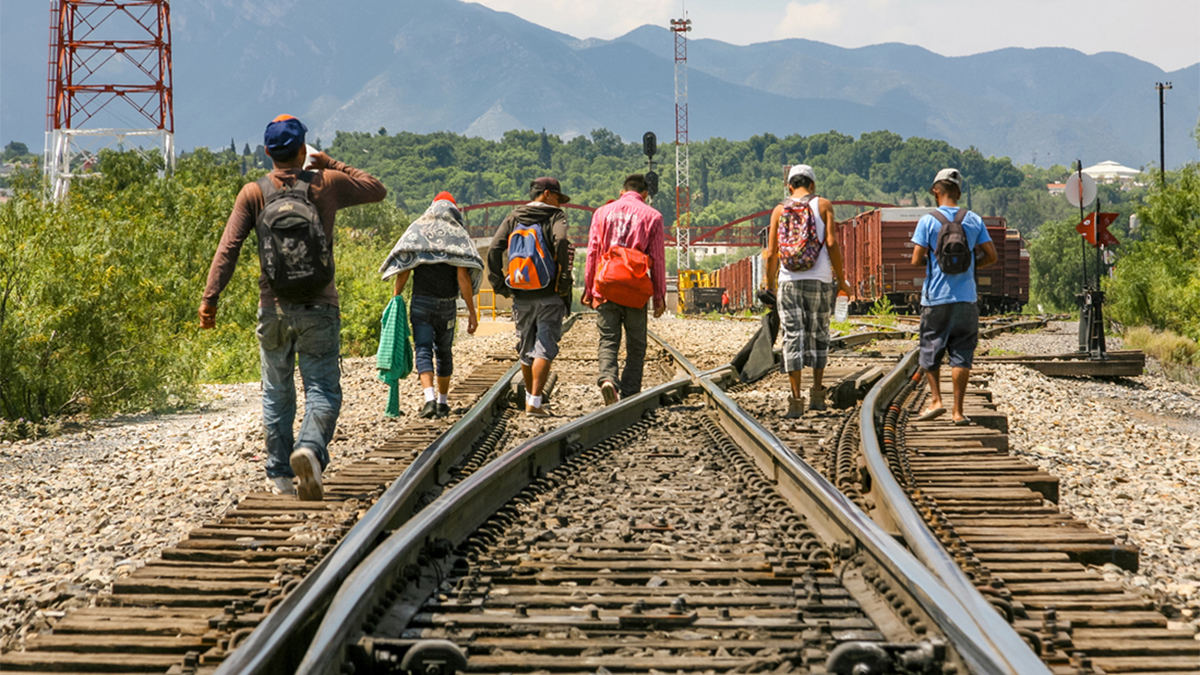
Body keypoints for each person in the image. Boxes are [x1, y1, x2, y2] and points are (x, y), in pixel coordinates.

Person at [200, 114, 386, 500]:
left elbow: (228, 249)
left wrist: (210, 300)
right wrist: (330, 163)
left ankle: (280, 475)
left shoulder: (253, 192)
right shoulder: (326, 183)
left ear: (268, 152)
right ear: (304, 149)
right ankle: (311, 449)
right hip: (319, 304)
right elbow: (376, 188)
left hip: (273, 307)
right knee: (321, 389)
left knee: (276, 392)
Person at [379, 191, 483, 418]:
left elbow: (405, 266)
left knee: (423, 349)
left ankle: (429, 400)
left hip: (421, 303)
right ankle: (443, 403)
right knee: (444, 352)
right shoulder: (458, 234)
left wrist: (396, 297)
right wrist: (473, 313)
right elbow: (463, 278)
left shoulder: (418, 230)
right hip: (446, 305)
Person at [910, 168, 998, 425]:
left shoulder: (928, 220)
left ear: (937, 191)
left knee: (930, 349)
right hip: (966, 298)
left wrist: (935, 261)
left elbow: (916, 260)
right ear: (958, 193)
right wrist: (969, 266)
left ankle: (936, 400)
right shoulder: (973, 220)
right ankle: (958, 411)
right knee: (962, 353)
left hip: (936, 298)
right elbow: (991, 256)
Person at [763, 164, 851, 418]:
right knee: (819, 333)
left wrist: (770, 284)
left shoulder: (779, 210)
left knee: (793, 336)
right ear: (812, 185)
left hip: (788, 281)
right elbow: (832, 243)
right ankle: (817, 396)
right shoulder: (824, 205)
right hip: (820, 279)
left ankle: (795, 400)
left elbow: (771, 254)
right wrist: (842, 280)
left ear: (789, 186)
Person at [486, 177, 575, 416]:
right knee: (545, 345)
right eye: (557, 197)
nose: (560, 203)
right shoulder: (555, 216)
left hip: (521, 293)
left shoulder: (514, 216)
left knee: (526, 348)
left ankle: (530, 398)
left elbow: (495, 248)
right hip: (549, 293)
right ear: (546, 194)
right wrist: (563, 277)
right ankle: (534, 402)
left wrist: (499, 284)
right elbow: (562, 240)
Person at [582, 174, 666, 405]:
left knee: (608, 339)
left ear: (622, 191)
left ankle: (608, 379)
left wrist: (590, 288)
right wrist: (658, 296)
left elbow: (592, 252)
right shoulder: (653, 216)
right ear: (645, 194)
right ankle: (630, 394)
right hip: (636, 290)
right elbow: (657, 259)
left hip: (606, 286)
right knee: (636, 344)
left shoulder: (601, 213)